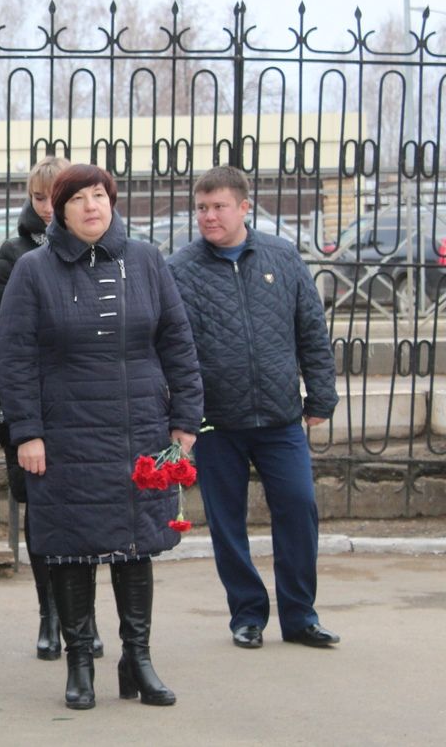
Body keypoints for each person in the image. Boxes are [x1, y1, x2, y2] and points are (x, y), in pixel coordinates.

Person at [0, 164, 203, 711]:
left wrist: (184, 422)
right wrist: (27, 433)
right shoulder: (33, 270)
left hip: (141, 427)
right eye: (79, 198)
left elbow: (177, 343)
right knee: (72, 549)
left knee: (138, 547)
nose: (92, 206)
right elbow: (14, 360)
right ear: (58, 209)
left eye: (100, 196)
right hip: (66, 433)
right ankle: (80, 662)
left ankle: (138, 658)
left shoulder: (146, 261)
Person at [168, 166, 340, 651]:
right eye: (201, 208)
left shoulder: (282, 257)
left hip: (281, 417)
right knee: (227, 522)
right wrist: (181, 415)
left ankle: (300, 615)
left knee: (299, 508)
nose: (208, 216)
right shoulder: (180, 268)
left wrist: (321, 396)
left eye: (219, 206)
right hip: (216, 422)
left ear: (245, 207)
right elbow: (172, 348)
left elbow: (311, 330)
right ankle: (246, 615)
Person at [0, 154, 103, 662]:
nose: (50, 206)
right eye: (39, 197)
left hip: (87, 407)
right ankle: (48, 613)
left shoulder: (106, 251)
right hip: (33, 408)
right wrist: (7, 410)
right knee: (41, 514)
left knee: (91, 513)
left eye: (60, 195)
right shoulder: (16, 255)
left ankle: (87, 616)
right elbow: (2, 339)